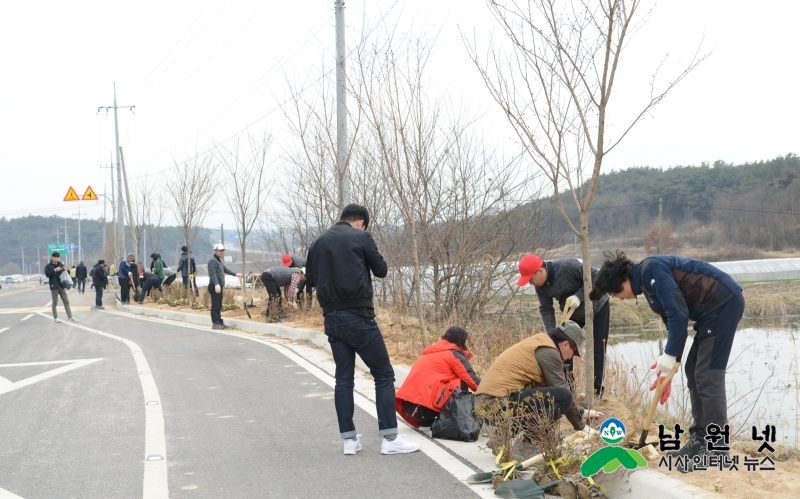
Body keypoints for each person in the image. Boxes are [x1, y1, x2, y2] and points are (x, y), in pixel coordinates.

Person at [591, 251, 745, 472]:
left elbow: (679, 315)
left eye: (616, 293)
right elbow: (673, 323)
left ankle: (717, 449)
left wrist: (671, 354)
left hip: (723, 303)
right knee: (693, 370)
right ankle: (700, 439)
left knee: (708, 375)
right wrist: (672, 366)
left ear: (624, 280)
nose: (619, 298)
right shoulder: (647, 287)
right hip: (709, 312)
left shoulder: (651, 271)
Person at [306, 204, 420, 456]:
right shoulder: (361, 236)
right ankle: (390, 438)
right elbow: (381, 270)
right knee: (383, 374)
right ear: (362, 222)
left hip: (331, 317)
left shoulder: (317, 242)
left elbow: (311, 280)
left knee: (344, 378)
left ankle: (349, 440)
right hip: (358, 316)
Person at [475, 321, 602, 446]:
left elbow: (542, 392)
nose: (570, 358)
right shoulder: (549, 353)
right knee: (564, 396)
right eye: (573, 353)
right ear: (566, 344)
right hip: (495, 403)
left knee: (543, 397)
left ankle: (502, 438)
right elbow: (562, 390)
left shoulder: (540, 342)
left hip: (486, 403)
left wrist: (581, 412)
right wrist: (582, 427)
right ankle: (527, 445)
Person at [518, 254, 610, 397]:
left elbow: (596, 276)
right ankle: (568, 391)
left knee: (598, 348)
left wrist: (579, 297)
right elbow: (546, 308)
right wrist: (552, 335)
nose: (530, 283)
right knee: (562, 346)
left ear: (540, 271)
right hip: (573, 313)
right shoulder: (541, 287)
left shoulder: (567, 266)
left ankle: (596, 392)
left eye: (530, 279)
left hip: (597, 306)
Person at [396, 326, 481, 428]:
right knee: (461, 381)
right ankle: (453, 421)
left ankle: (426, 422)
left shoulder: (432, 352)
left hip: (408, 406)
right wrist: (491, 391)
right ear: (460, 340)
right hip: (423, 408)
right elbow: (472, 381)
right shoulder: (453, 354)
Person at [208, 244, 242, 330]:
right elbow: (212, 274)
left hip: (219, 286)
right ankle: (215, 323)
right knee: (215, 305)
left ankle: (219, 322)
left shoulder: (219, 261)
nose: (221, 252)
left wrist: (235, 274)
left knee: (219, 305)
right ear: (215, 251)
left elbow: (225, 270)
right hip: (215, 286)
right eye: (219, 251)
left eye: (222, 251)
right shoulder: (212, 261)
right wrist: (216, 284)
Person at [44, 252, 77, 323]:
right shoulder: (48, 266)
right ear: (52, 257)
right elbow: (47, 274)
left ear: (58, 258)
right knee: (55, 302)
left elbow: (66, 273)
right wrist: (55, 270)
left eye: (57, 257)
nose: (56, 258)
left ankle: (70, 317)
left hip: (62, 286)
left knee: (66, 301)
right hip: (54, 286)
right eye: (54, 257)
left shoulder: (60, 264)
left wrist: (66, 269)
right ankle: (56, 318)